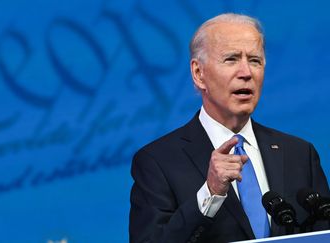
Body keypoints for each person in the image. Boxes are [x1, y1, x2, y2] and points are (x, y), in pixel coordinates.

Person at [129, 13, 330, 243]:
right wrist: (210, 194)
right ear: (198, 73)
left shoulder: (299, 154)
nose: (246, 73)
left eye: (255, 60)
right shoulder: (158, 162)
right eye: (231, 59)